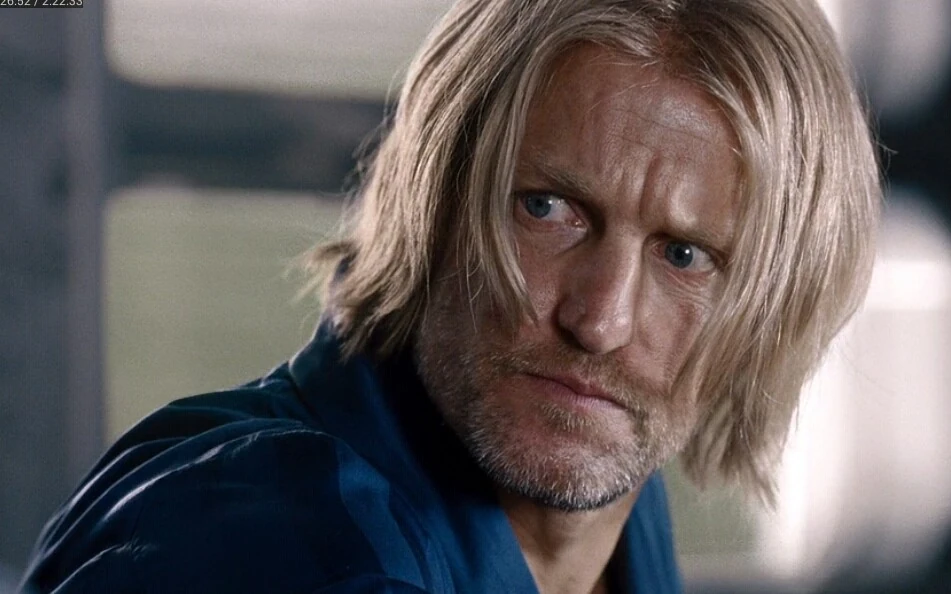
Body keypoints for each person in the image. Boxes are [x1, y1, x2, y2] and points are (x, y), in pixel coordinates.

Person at [21, 0, 880, 592]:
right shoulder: (293, 552)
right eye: (548, 209)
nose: (599, 321)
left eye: (684, 256)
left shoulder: (604, 485)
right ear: (437, 197)